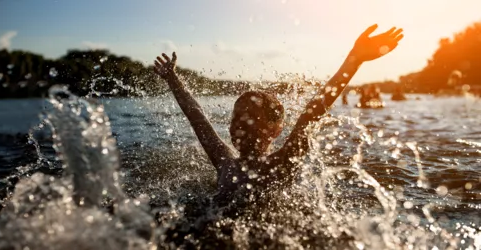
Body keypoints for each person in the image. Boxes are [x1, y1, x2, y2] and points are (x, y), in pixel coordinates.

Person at [153, 24, 403, 204]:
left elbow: (313, 112)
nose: (239, 125)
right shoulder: (224, 162)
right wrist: (173, 79)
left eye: (250, 118)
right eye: (236, 117)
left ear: (275, 130)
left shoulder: (281, 164)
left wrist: (354, 60)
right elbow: (198, 118)